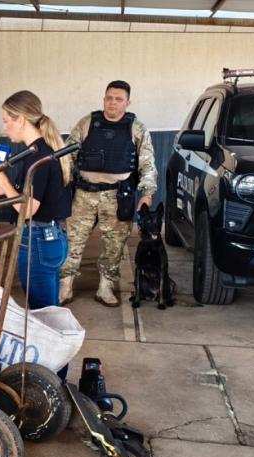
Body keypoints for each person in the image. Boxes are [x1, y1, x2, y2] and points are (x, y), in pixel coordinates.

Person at [61, 80, 158, 307]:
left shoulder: (137, 128)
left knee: (114, 246)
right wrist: (61, 184)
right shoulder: (87, 123)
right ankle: (65, 286)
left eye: (118, 99)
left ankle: (105, 288)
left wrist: (147, 193)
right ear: (104, 98)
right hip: (84, 194)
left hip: (118, 196)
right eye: (109, 98)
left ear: (127, 102)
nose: (112, 103)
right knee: (72, 242)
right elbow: (68, 156)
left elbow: (147, 164)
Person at [0, 90, 73, 309]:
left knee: (42, 313)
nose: (5, 126)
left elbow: (27, 210)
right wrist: (3, 187)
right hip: (50, 237)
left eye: (7, 121)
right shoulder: (40, 153)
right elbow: (27, 195)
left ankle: (50, 344)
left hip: (38, 239)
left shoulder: (39, 158)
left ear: (21, 119)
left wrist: (5, 182)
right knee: (49, 309)